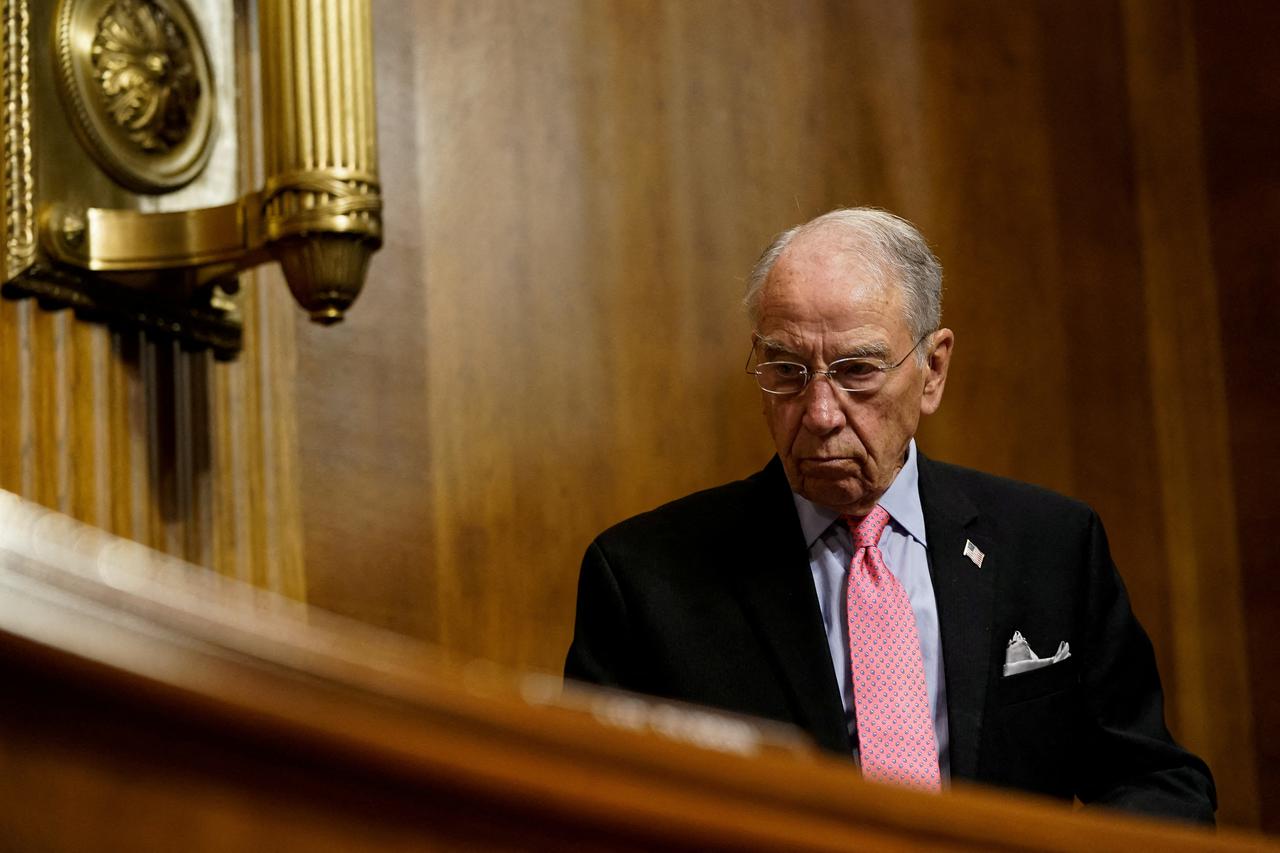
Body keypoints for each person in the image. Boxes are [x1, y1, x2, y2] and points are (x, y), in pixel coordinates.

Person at [564, 207, 1216, 823]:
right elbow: (590, 814)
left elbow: (1156, 780)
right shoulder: (644, 580)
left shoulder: (1050, 546)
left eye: (856, 371)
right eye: (786, 371)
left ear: (932, 370)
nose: (819, 413)